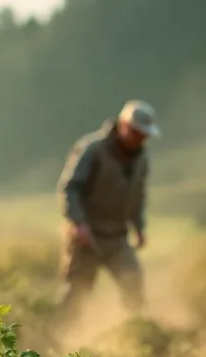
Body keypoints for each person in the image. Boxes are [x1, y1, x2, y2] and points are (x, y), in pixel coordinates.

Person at [55, 99, 160, 323]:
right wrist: (79, 223)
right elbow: (70, 188)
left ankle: (135, 334)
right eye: (136, 133)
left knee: (133, 285)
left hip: (117, 238)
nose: (140, 139)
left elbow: (137, 197)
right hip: (86, 236)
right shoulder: (93, 150)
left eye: (143, 135)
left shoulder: (142, 159)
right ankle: (59, 340)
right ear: (123, 126)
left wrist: (139, 227)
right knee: (76, 294)